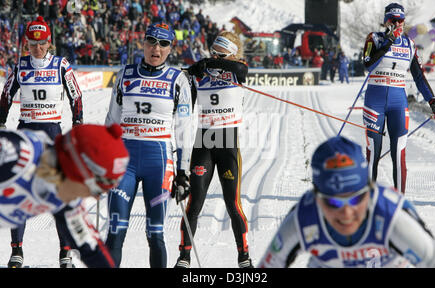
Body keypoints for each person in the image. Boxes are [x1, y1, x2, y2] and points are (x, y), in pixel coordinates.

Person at [257, 136, 435, 268]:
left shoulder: (391, 215)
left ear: (370, 190)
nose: (347, 213)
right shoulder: (304, 217)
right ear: (316, 198)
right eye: (333, 202)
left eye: (357, 198)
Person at [104, 22, 195, 268]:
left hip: (159, 162)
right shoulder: (124, 75)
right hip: (125, 162)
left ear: (170, 48)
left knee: (155, 234)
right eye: (152, 42)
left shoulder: (178, 80)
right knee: (115, 229)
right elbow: (112, 120)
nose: (157, 48)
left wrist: (183, 172)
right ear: (143, 43)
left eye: (163, 43)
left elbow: (185, 130)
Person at [0, 16, 83, 268]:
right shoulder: (20, 66)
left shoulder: (61, 65)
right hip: (25, 133)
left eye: (42, 43)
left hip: (52, 133)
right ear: (27, 44)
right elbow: (5, 96)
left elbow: (76, 96)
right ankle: (17, 250)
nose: (38, 48)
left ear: (49, 43)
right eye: (33, 44)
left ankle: (65, 252)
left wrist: (78, 124)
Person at [173, 30, 252, 268]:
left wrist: (210, 64)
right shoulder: (202, 73)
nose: (214, 56)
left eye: (220, 53)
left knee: (232, 204)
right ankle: (184, 257)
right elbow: (185, 94)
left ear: (230, 53)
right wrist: (193, 72)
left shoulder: (237, 69)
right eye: (212, 52)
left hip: (228, 140)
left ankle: (244, 257)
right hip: (204, 141)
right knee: (194, 202)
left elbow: (242, 72)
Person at [0, 124, 129, 268]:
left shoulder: (67, 201)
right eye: (97, 190)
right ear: (77, 171)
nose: (96, 198)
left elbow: (92, 251)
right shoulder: (18, 154)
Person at [362, 3, 435, 194]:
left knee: (399, 152)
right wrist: (388, 41)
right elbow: (367, 64)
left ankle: (400, 200)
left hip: (398, 102)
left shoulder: (409, 44)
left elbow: (418, 76)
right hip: (375, 100)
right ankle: (368, 200)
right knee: (373, 152)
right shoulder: (374, 38)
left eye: (401, 20)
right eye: (394, 20)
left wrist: (432, 101)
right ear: (386, 21)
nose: (398, 24)